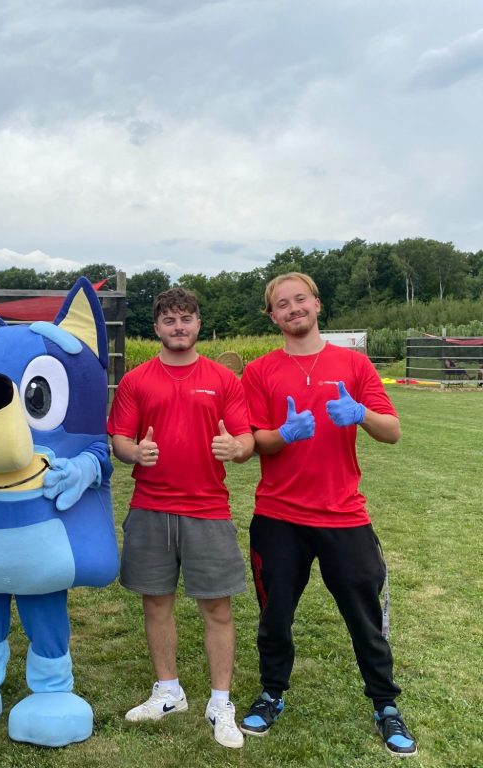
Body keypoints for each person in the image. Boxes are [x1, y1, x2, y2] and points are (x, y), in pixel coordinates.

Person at [239, 272, 417, 758]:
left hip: (344, 515)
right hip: (278, 516)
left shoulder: (353, 365)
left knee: (364, 618)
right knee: (275, 616)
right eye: (282, 304)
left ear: (317, 304)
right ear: (271, 315)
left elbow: (393, 431)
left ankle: (385, 704)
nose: (293, 308)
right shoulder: (259, 372)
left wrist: (360, 413)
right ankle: (272, 693)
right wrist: (285, 434)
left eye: (300, 299)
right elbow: (254, 441)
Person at [107, 287, 254, 750]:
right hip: (150, 507)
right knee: (156, 602)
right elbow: (120, 441)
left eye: (186, 319)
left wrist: (238, 448)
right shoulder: (136, 380)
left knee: (217, 607)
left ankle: (220, 701)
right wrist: (136, 451)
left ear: (197, 324)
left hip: (208, 508)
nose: (178, 327)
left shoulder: (223, 379)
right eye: (169, 320)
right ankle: (168, 691)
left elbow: (246, 438)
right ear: (156, 328)